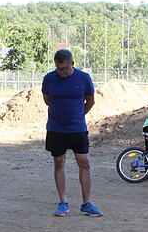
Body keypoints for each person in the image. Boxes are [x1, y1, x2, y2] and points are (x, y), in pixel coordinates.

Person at [41, 49, 102, 217]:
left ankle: (86, 203)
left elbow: (90, 100)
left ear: (72, 64)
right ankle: (63, 202)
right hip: (56, 128)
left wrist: (78, 114)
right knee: (59, 162)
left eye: (66, 69)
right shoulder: (49, 79)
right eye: (59, 69)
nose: (63, 72)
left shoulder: (84, 78)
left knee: (84, 163)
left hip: (78, 129)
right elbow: (47, 99)